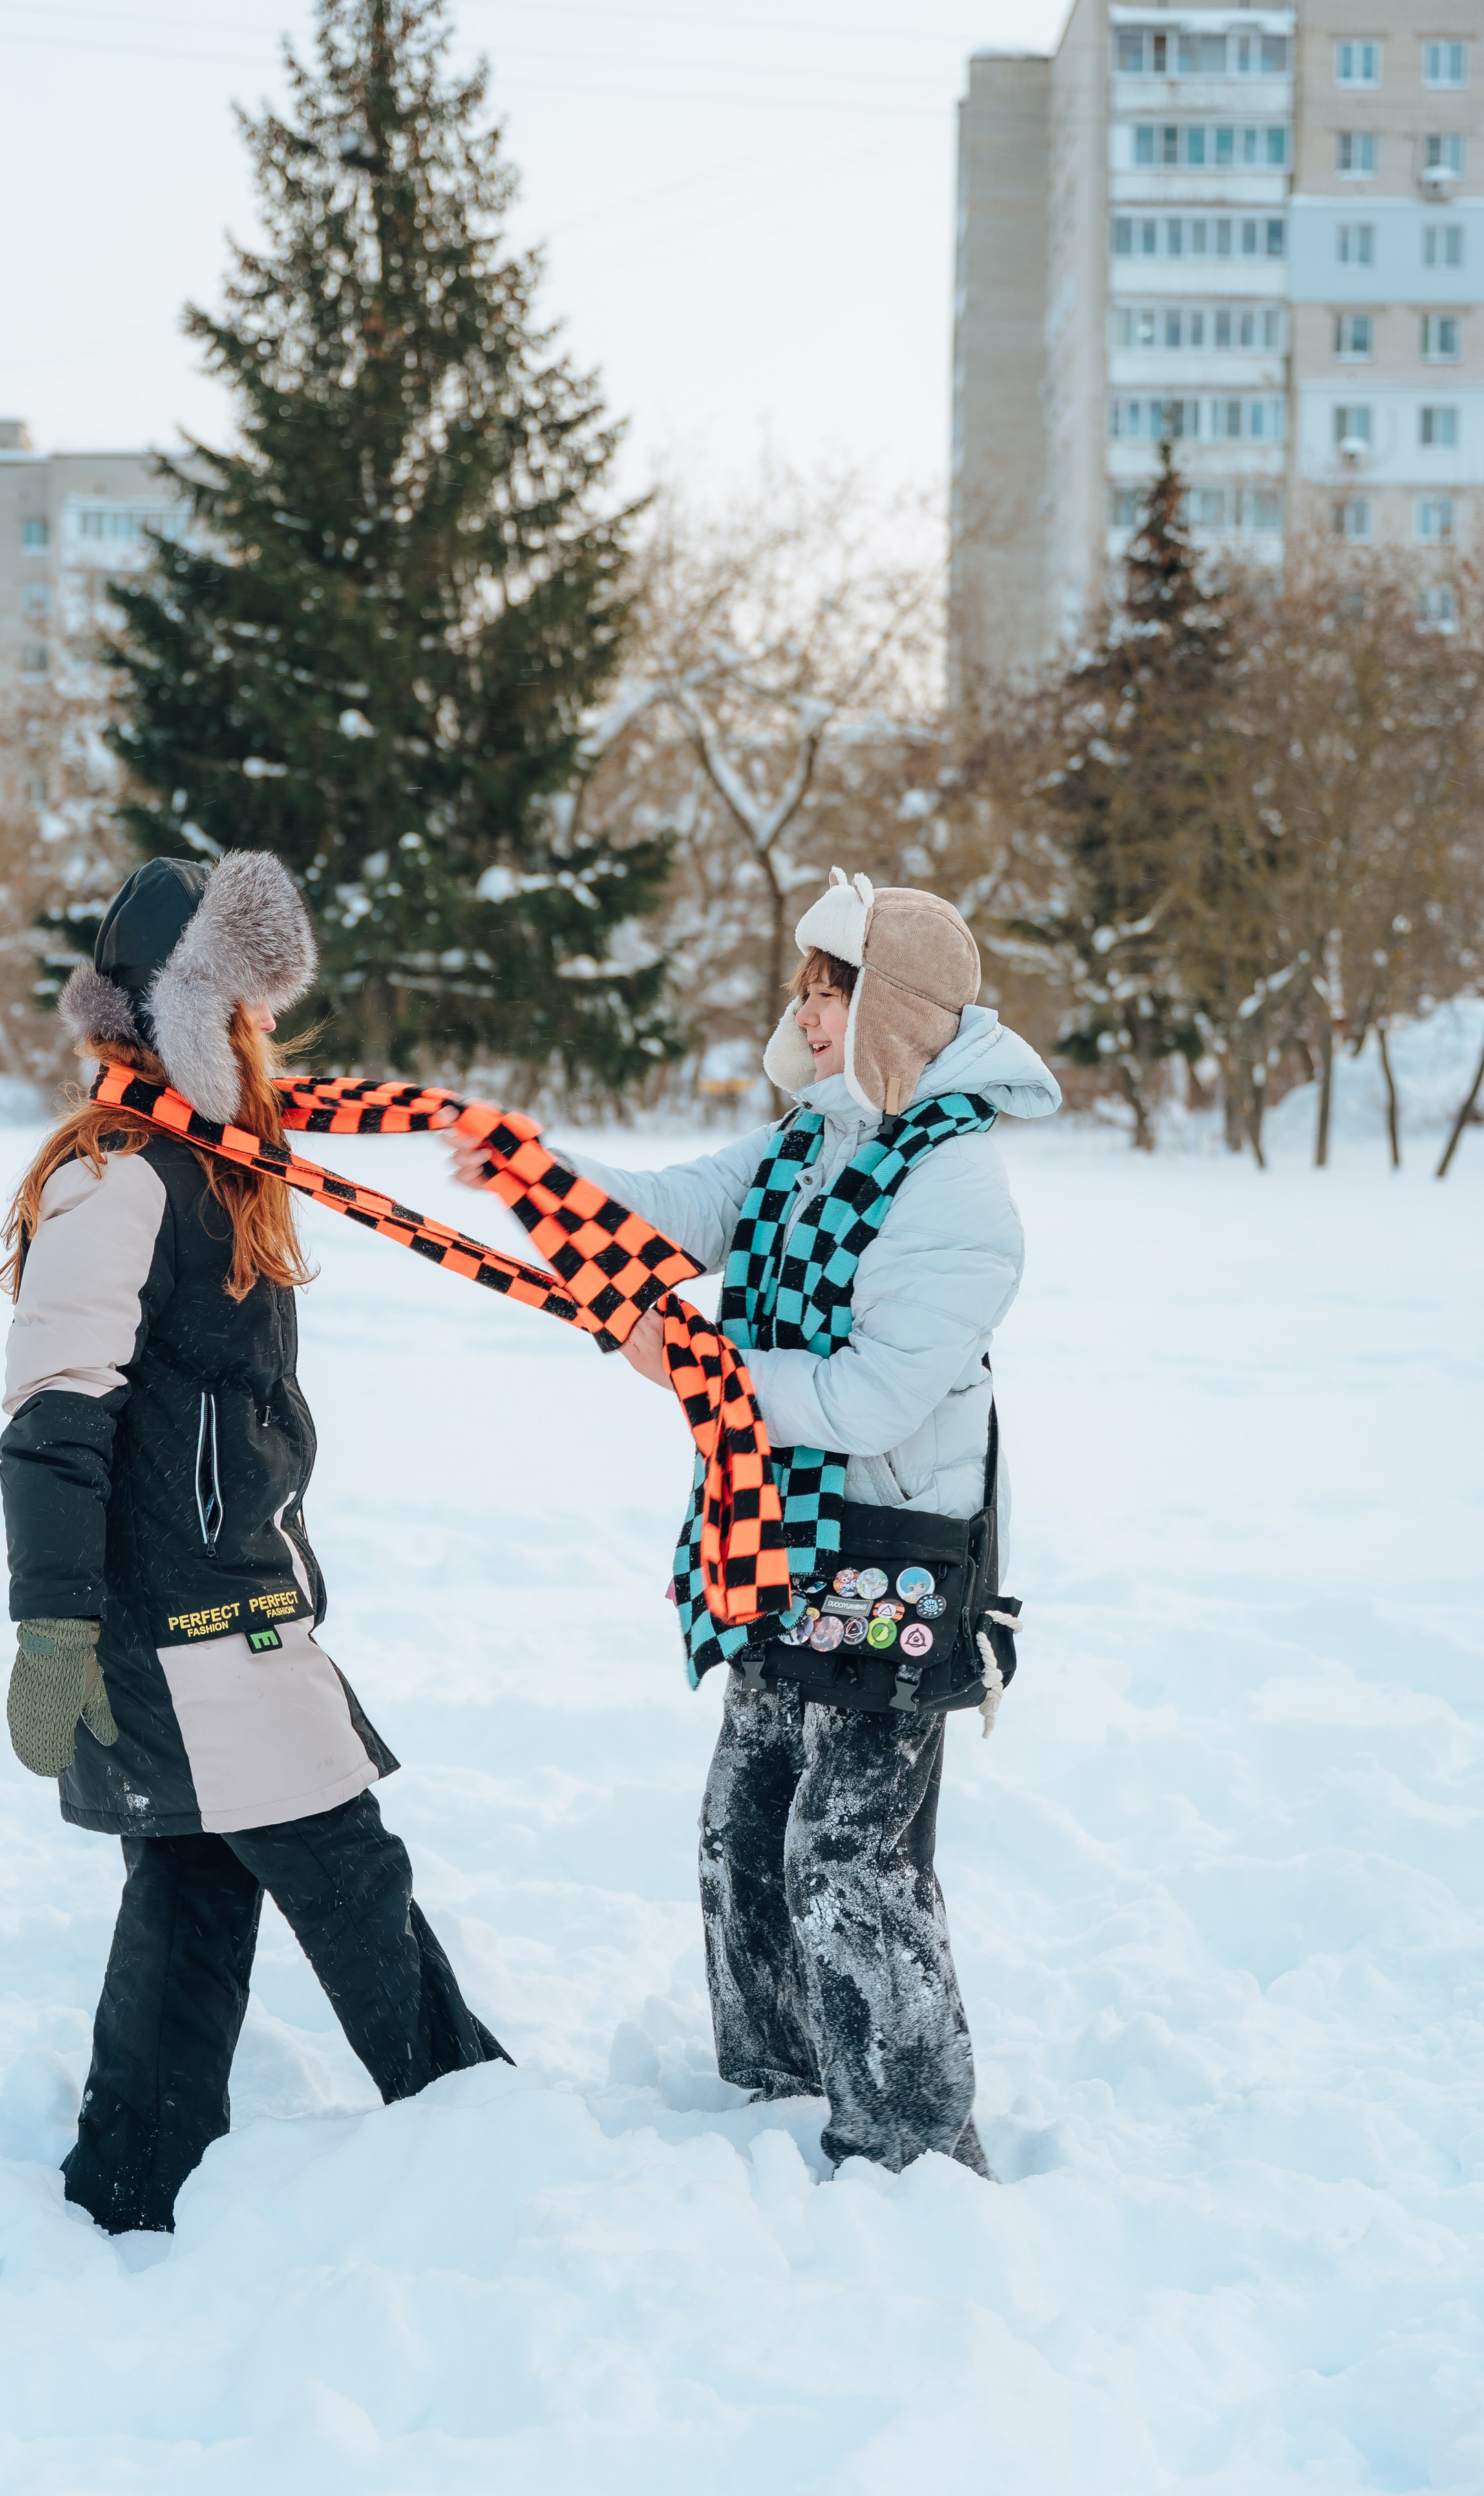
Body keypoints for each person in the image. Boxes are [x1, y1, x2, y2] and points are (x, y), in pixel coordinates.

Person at [439, 871, 1059, 2178]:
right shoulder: (812, 1132)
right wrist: (534, 1171)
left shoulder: (955, 1189)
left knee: (848, 1858)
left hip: (892, 1558)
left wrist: (699, 1372)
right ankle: (777, 2082)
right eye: (806, 987)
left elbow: (876, 1397)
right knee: (747, 1824)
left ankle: (914, 2140)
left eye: (830, 990)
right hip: (775, 1535)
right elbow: (675, 1211)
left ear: (892, 1007)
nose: (807, 1010)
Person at [0, 851, 507, 2236]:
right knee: (346, 1872)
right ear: (174, 1015)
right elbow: (53, 1416)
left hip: (229, 1596)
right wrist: (52, 1620)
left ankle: (129, 2184)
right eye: (240, 1005)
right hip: (180, 1622)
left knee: (196, 1882)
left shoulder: (212, 1167)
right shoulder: (120, 1179)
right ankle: (479, 2132)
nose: (263, 1033)